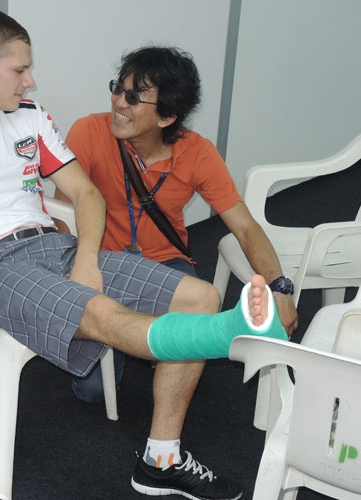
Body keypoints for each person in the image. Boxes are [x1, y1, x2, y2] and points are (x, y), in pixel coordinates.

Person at [0, 9, 287, 500]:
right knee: (101, 312)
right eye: (20, 70)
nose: (31, 81)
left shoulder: (30, 117)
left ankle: (160, 460)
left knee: (201, 297)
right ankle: (232, 333)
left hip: (55, 246)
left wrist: (86, 259)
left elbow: (86, 194)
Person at [57, 46, 299, 403]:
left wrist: (281, 287)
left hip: (164, 261)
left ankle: (148, 337)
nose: (119, 103)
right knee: (92, 391)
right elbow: (63, 217)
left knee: (194, 322)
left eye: (134, 97)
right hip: (101, 263)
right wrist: (81, 271)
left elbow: (246, 228)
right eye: (118, 88)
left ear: (167, 117)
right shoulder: (88, 131)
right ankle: (145, 335)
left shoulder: (197, 152)